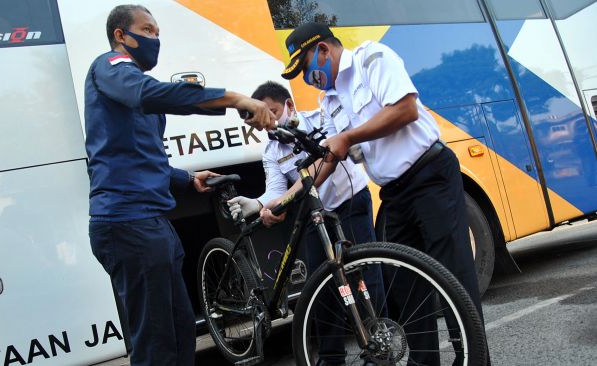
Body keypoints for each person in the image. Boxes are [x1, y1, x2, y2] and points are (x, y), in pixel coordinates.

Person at [279, 22, 489, 365]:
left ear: (322, 50)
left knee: (455, 278)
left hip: (430, 174)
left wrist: (348, 138)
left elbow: (404, 109)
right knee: (406, 288)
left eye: (306, 67)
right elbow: (329, 159)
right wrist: (286, 199)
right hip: (393, 193)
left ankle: (475, 360)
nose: (307, 77)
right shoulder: (328, 101)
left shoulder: (371, 59)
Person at [83, 5, 273, 366]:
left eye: (158, 32)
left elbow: (138, 157)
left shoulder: (138, 97)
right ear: (121, 36)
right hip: (128, 223)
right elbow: (153, 94)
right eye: (147, 30)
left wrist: (186, 178)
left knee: (180, 329)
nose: (155, 39)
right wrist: (234, 98)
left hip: (150, 222)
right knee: (156, 343)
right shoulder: (111, 68)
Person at [227, 81, 384, 365]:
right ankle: (330, 357)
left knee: (365, 276)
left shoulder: (321, 119)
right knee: (322, 287)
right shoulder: (271, 152)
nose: (270, 121)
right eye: (265, 117)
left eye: (274, 111)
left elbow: (329, 160)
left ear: (289, 105)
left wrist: (286, 198)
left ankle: (378, 344)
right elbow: (276, 190)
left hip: (351, 202)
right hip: (316, 213)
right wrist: (259, 204)